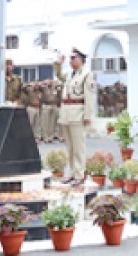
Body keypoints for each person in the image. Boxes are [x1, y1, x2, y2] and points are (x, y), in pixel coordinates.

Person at [54, 48, 97, 185]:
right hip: (66, 113)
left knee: (79, 147)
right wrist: (58, 64)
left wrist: (87, 115)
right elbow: (59, 75)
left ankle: (79, 175)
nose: (71, 61)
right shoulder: (69, 74)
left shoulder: (86, 75)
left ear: (81, 59)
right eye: (70, 58)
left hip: (78, 113)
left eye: (73, 58)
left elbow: (90, 97)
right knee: (70, 147)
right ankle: (72, 173)